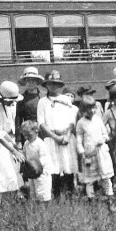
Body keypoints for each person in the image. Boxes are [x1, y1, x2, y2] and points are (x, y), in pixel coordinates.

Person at [37, 70, 78, 200]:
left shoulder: (66, 99)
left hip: (66, 137)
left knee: (67, 166)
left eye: (56, 83)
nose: (53, 86)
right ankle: (55, 196)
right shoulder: (42, 102)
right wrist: (55, 137)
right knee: (53, 168)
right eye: (50, 83)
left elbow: (72, 120)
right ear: (46, 85)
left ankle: (70, 195)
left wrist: (66, 136)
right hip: (51, 138)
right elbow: (41, 123)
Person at [77, 96, 115, 208]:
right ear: (83, 110)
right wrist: (83, 153)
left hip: (102, 153)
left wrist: (102, 140)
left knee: (106, 178)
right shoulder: (81, 123)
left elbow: (105, 134)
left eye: (94, 108)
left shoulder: (98, 119)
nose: (92, 111)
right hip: (89, 155)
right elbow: (79, 141)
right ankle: (92, 203)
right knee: (90, 181)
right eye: (89, 109)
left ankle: (110, 201)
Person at [21, 120, 51, 204]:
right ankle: (35, 208)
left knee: (42, 190)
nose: (26, 137)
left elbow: (44, 158)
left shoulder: (40, 144)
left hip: (41, 172)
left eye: (28, 135)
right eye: (24, 135)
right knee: (33, 192)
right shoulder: (26, 143)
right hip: (31, 172)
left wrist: (36, 167)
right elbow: (24, 154)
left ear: (36, 131)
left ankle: (44, 208)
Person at [15, 67, 44, 148]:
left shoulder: (44, 96)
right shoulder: (21, 99)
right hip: (29, 132)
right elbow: (18, 120)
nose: (31, 82)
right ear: (25, 82)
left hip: (45, 132)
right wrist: (18, 140)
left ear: (37, 81)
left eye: (33, 80)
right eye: (28, 80)